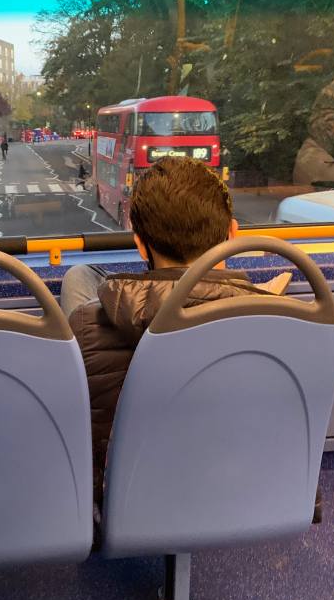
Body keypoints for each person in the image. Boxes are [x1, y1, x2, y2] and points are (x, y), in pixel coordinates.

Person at [60, 156, 288, 505]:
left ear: (140, 244)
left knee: (79, 276)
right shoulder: (288, 325)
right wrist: (261, 300)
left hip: (128, 499)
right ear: (233, 233)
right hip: (250, 491)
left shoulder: (86, 327)